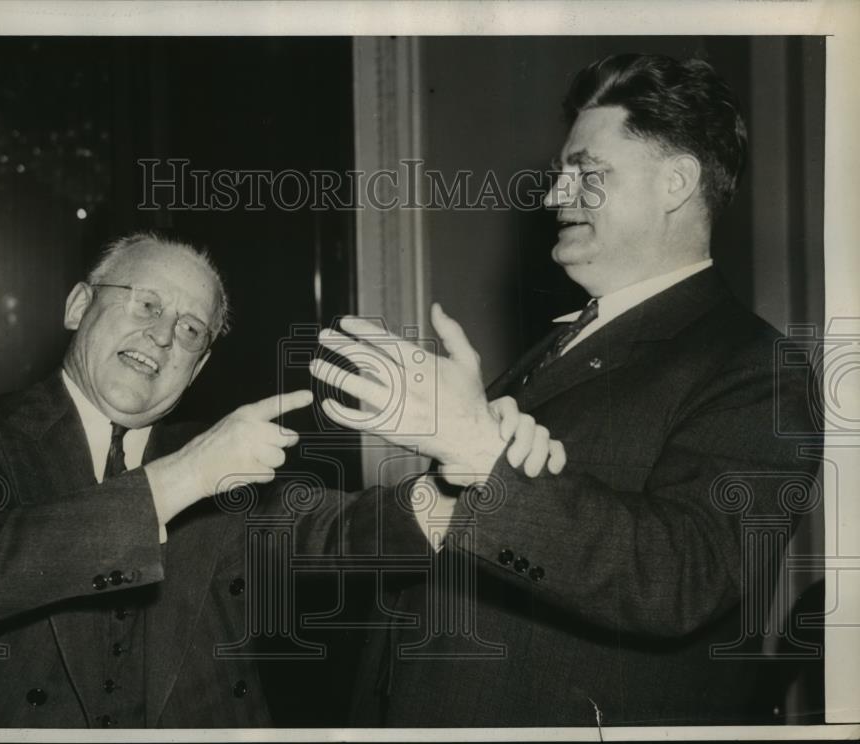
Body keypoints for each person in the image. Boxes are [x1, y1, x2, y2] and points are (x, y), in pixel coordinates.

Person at [310, 54, 819, 726]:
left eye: (588, 173)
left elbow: (684, 577)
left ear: (677, 181)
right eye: (560, 174)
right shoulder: (558, 345)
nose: (555, 197)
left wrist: (477, 452)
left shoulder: (757, 368)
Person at [0, 232, 559, 728]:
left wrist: (467, 466)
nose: (162, 337)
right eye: (146, 304)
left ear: (198, 367)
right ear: (77, 305)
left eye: (189, 330)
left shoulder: (225, 468)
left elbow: (339, 532)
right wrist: (189, 472)